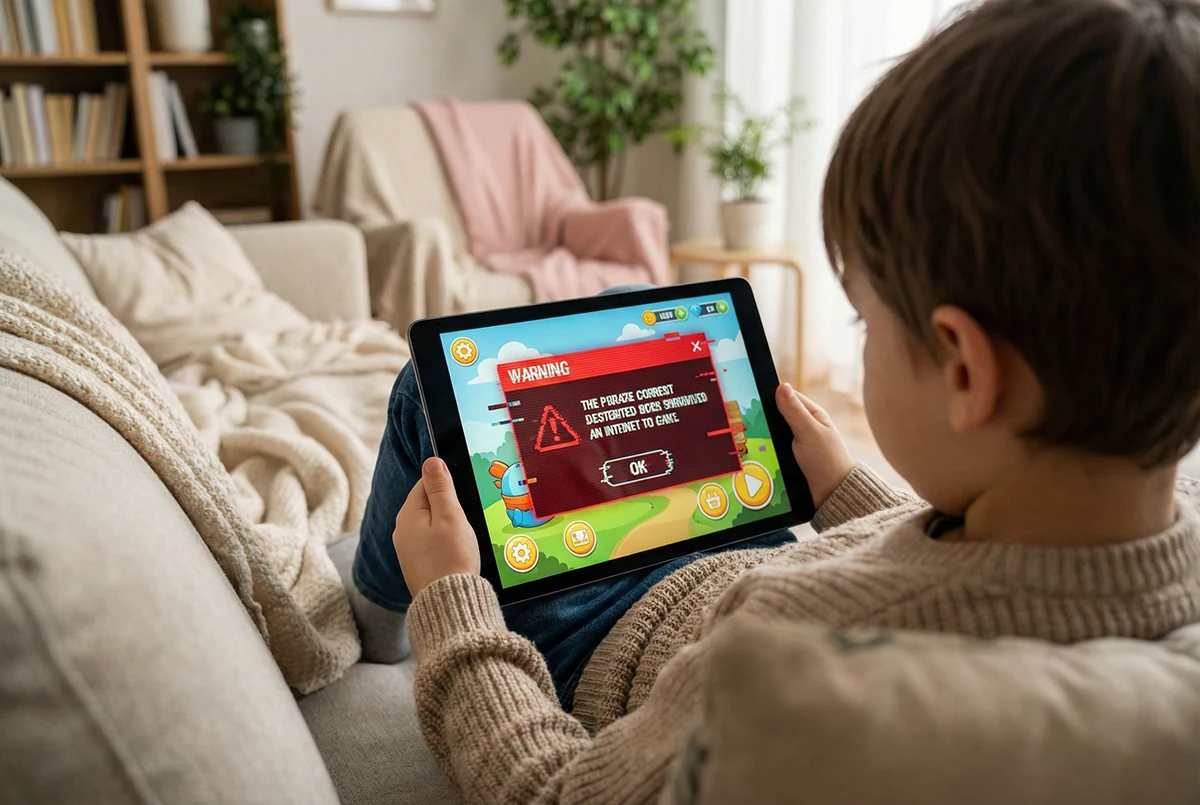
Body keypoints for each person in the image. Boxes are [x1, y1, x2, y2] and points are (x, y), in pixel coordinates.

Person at [358, 0, 1200, 801]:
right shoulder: (1172, 538)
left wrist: (453, 603)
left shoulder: (777, 672)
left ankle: (378, 610)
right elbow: (976, 567)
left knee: (423, 394)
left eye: (861, 321)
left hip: (610, 633)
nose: (857, 340)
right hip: (768, 554)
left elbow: (549, 790)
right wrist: (843, 493)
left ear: (967, 372)